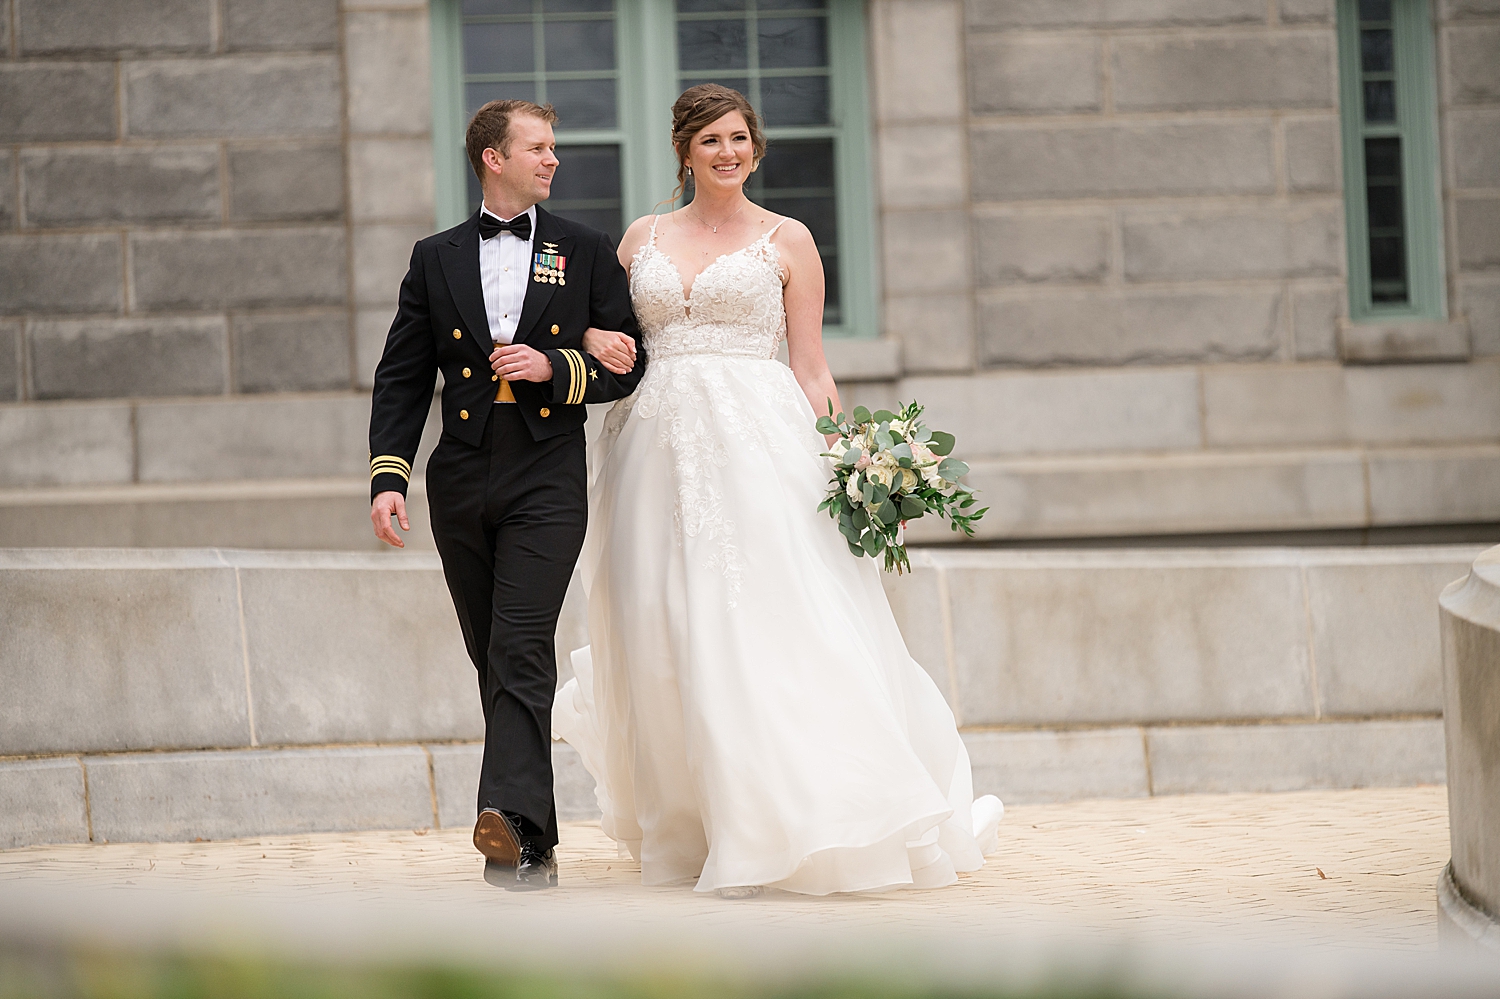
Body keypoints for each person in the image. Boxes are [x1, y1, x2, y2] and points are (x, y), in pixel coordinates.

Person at [558, 84, 1002, 897]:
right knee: (663, 627)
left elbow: (811, 365)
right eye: (709, 141)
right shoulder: (640, 239)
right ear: (684, 152)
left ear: (754, 148)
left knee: (766, 620)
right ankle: (693, 825)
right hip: (649, 450)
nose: (726, 152)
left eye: (738, 138)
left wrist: (855, 463)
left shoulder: (788, 239)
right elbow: (608, 329)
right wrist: (587, 335)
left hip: (760, 449)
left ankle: (795, 818)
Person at [368, 100, 645, 891]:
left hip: (545, 475)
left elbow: (634, 361)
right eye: (538, 147)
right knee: (492, 654)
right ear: (493, 157)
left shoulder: (584, 249)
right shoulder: (435, 256)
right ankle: (535, 835)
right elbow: (401, 373)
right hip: (458, 477)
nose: (552, 159)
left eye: (553, 146)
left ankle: (509, 831)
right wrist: (390, 474)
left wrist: (557, 365)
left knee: (521, 647)